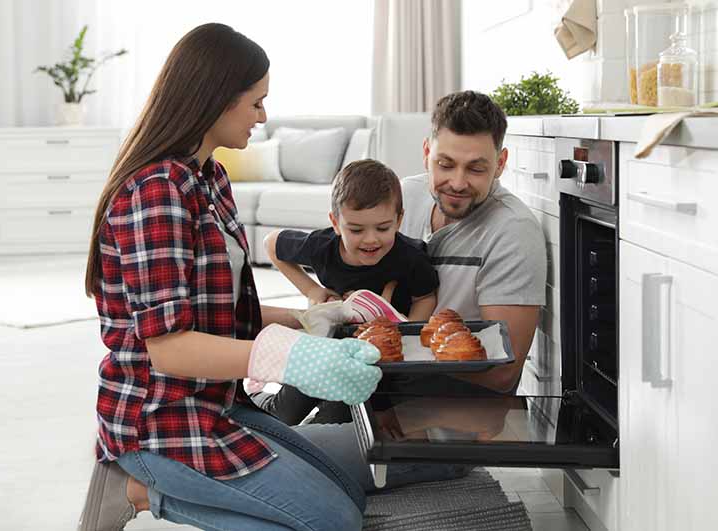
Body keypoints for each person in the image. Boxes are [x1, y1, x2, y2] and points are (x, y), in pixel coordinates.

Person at [76, 24, 464, 531]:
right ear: (214, 98)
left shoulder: (208, 178)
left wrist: (311, 319)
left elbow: (216, 315)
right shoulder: (157, 193)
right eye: (256, 102)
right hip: (162, 421)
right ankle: (136, 489)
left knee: (359, 485)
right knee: (335, 520)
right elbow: (169, 349)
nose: (264, 115)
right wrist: (295, 357)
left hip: (218, 402)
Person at [252, 159, 439, 424]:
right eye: (356, 229)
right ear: (336, 223)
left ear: (399, 220)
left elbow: (425, 296)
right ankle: (254, 399)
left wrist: (405, 332)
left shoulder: (411, 257)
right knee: (284, 413)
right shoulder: (322, 246)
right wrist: (312, 289)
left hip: (373, 360)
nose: (371, 239)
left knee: (334, 419)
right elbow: (271, 244)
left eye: (383, 228)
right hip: (326, 345)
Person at [398, 90, 547, 394]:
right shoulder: (400, 199)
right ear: (427, 153)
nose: (457, 182)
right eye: (445, 164)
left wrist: (400, 356)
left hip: (454, 411)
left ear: (500, 163)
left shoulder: (513, 231)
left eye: (476, 169)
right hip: (371, 391)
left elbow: (502, 373)